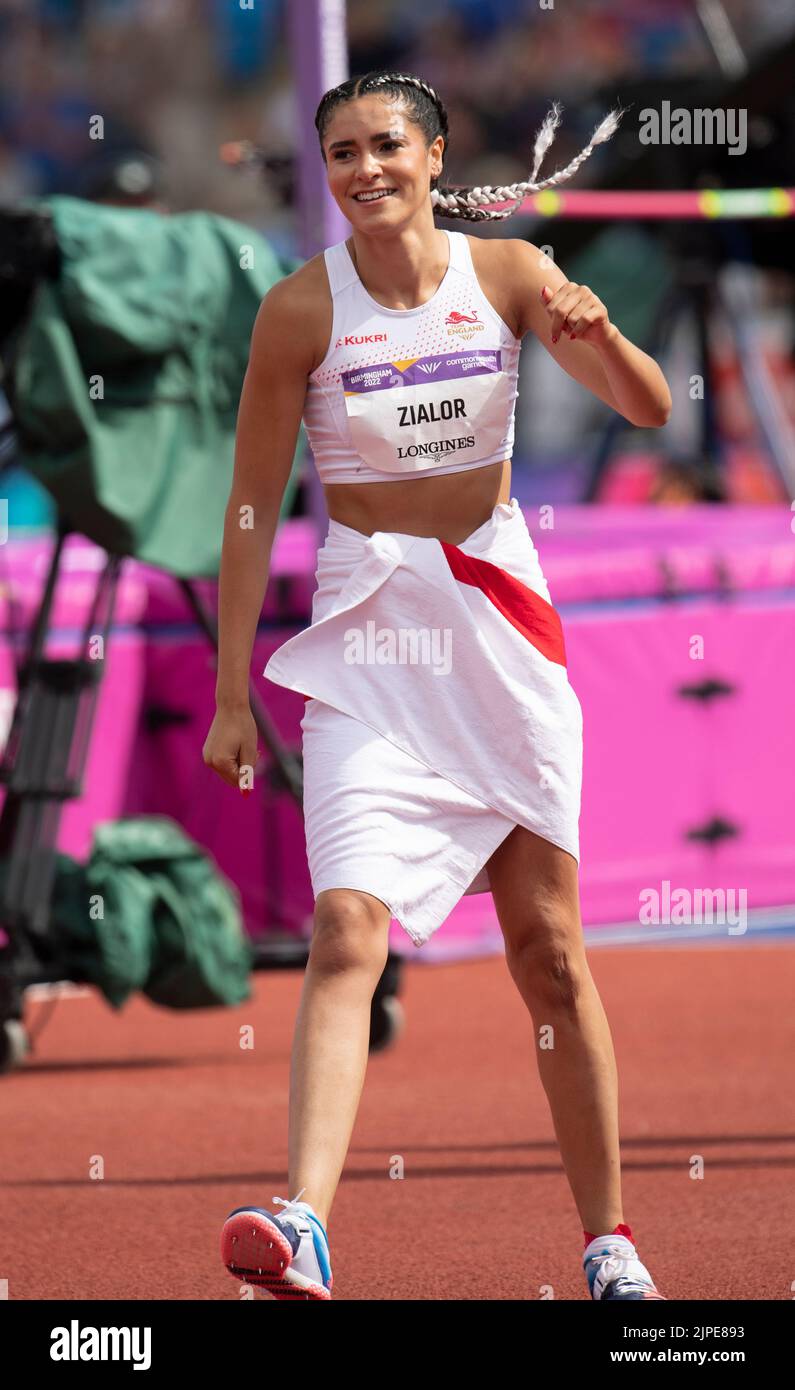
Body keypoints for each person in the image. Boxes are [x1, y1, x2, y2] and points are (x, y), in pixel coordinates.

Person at [203, 70, 672, 1302]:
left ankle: (610, 1242)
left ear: (434, 154)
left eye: (387, 147)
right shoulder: (300, 311)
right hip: (365, 628)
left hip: (497, 625)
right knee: (348, 925)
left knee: (551, 952)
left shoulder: (510, 276)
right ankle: (302, 1219)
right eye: (343, 152)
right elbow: (252, 504)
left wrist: (596, 329)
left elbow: (650, 403)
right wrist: (231, 689)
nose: (366, 170)